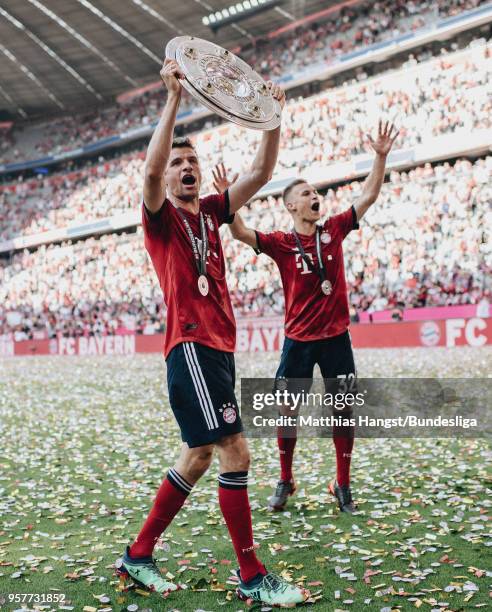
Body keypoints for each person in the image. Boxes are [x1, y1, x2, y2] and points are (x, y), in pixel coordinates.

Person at [115, 58, 309, 607]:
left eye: (191, 159)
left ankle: (139, 553)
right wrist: (173, 99)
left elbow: (262, 174)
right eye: (178, 161)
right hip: (192, 346)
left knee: (197, 455)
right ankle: (251, 574)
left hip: (219, 349)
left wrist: (271, 118)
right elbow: (149, 176)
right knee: (235, 450)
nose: (184, 167)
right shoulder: (159, 217)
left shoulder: (212, 212)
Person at [217, 120, 399, 513]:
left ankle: (342, 484)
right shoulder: (282, 244)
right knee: (287, 410)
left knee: (343, 410)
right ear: (291, 206)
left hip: (337, 338)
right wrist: (227, 201)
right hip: (298, 340)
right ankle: (285, 480)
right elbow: (240, 234)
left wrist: (380, 157)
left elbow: (367, 196)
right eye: (307, 193)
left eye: (315, 192)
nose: (315, 196)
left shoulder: (334, 228)